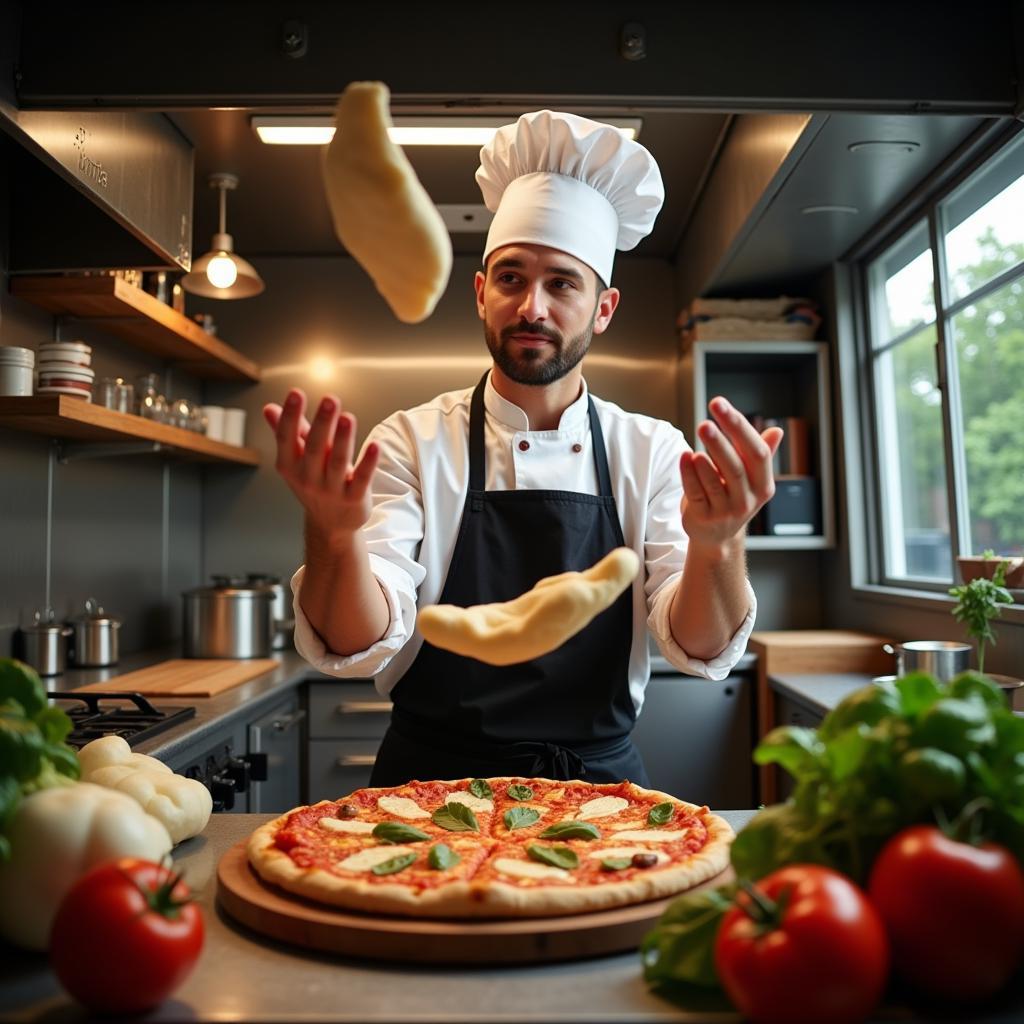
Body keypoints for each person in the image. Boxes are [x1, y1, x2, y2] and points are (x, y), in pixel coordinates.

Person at [265, 110, 782, 788]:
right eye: (510, 278)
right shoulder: (411, 441)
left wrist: (719, 543)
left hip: (598, 792)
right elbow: (355, 642)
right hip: (427, 788)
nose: (532, 306)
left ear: (604, 309)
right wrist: (334, 536)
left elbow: (701, 647)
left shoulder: (653, 450)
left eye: (563, 282)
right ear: (481, 294)